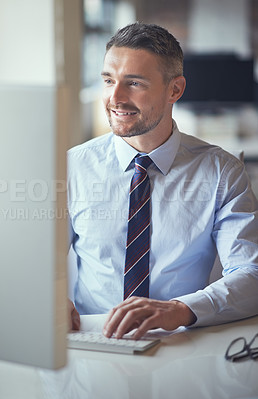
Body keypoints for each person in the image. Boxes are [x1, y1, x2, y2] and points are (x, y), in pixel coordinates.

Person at [67, 22, 258, 339]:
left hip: (182, 341)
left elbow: (251, 274)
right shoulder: (72, 167)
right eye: (108, 81)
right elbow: (38, 260)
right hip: (92, 341)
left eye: (134, 83)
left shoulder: (222, 171)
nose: (115, 97)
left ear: (175, 90)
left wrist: (180, 309)